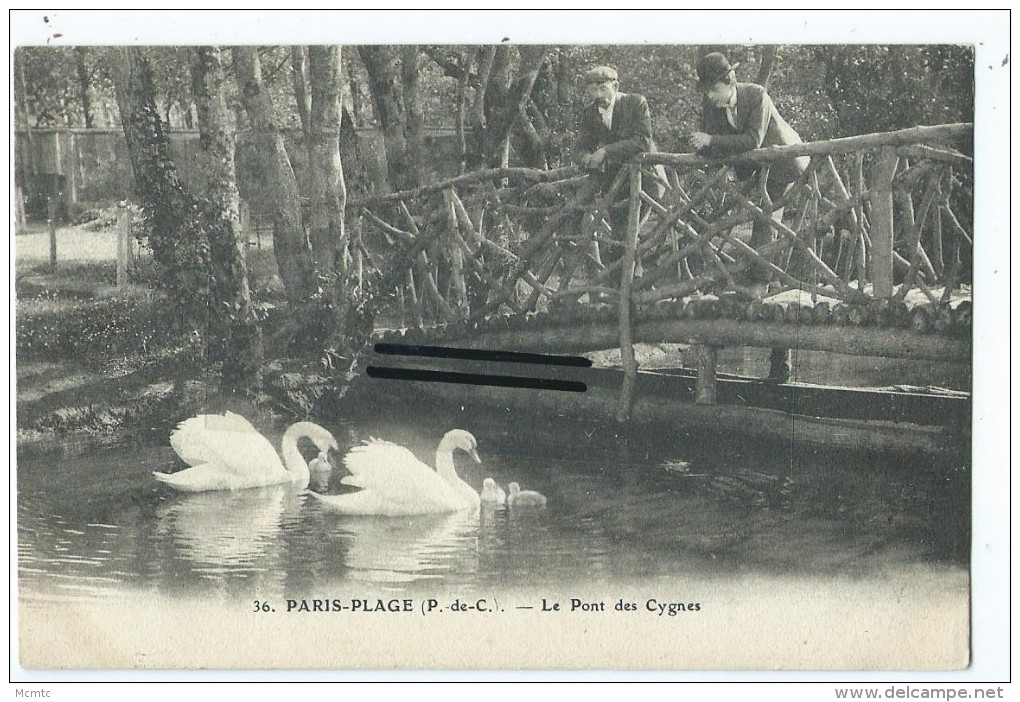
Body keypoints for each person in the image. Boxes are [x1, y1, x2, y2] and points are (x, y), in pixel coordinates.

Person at [689, 52, 809, 383]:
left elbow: (752, 139)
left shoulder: (756, 95)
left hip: (785, 167)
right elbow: (712, 144)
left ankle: (760, 287)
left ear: (729, 82)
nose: (708, 97)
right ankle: (774, 352)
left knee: (766, 234)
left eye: (711, 90)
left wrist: (712, 141)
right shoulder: (712, 105)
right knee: (758, 239)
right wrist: (702, 146)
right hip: (756, 173)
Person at [575, 65, 667, 269]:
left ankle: (630, 286)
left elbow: (641, 141)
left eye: (603, 89)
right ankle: (627, 288)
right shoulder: (590, 113)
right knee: (621, 236)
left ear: (615, 86)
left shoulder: (635, 103)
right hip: (615, 185)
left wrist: (605, 151)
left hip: (646, 181)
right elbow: (580, 147)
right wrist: (586, 158)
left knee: (627, 235)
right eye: (592, 91)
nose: (598, 95)